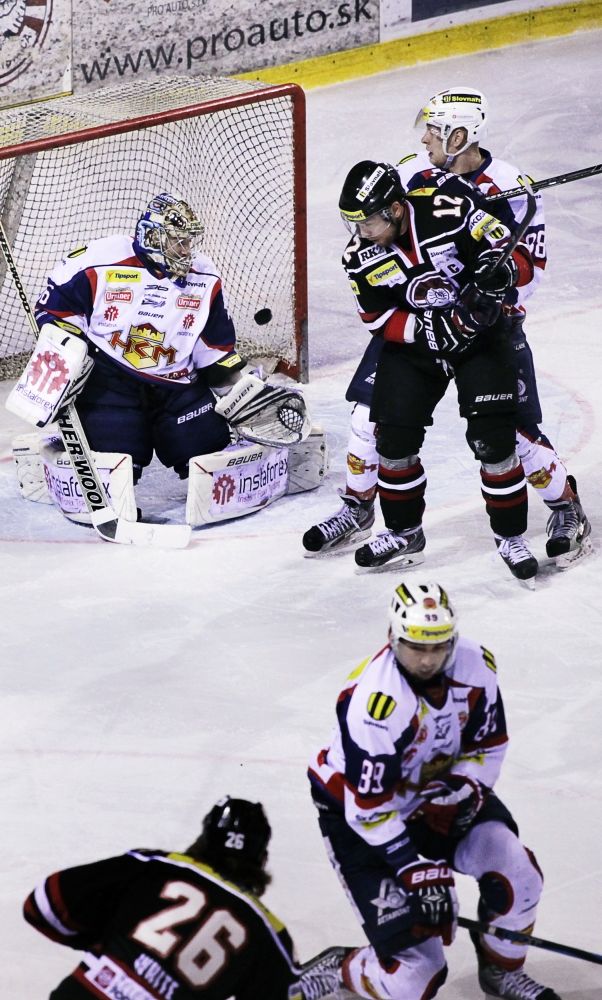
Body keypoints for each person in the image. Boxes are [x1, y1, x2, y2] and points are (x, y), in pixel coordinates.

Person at [308, 579, 561, 1000]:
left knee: (519, 875)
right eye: (416, 647)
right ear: (392, 638)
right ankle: (344, 966)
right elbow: (368, 806)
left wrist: (467, 789)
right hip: (363, 814)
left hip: (434, 790)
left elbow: (489, 744)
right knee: (415, 980)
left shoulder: (477, 665)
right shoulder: (375, 702)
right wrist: (413, 868)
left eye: (438, 646)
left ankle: (501, 971)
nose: (428, 660)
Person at [304, 160, 539, 583]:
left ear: (395, 209)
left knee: (493, 442)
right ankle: (404, 534)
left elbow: (518, 255)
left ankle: (510, 538)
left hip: (483, 338)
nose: (362, 233)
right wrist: (427, 331)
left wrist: (500, 274)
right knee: (392, 439)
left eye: (369, 222)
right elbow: (376, 318)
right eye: (354, 223)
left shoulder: (448, 209)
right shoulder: (359, 256)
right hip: (418, 346)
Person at [395, 86, 591, 565]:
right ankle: (364, 511)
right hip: (425, 326)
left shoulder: (511, 186)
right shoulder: (410, 174)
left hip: (487, 333)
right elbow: (377, 228)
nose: (425, 139)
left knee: (514, 435)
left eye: (435, 131)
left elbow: (531, 267)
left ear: (459, 136)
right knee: (374, 419)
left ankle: (566, 506)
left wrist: (496, 284)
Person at [24, 796, 344, 1000]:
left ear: (202, 840)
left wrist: (113, 948)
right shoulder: (267, 932)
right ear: (261, 861)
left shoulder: (154, 867)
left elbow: (41, 906)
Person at [33, 192, 244, 484]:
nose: (186, 250)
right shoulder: (101, 260)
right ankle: (66, 458)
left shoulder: (204, 276)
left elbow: (214, 346)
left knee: (210, 457)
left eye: (189, 241)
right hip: (111, 383)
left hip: (178, 387)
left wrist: (239, 392)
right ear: (153, 238)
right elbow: (55, 309)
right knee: (115, 469)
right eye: (178, 241)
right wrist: (68, 360)